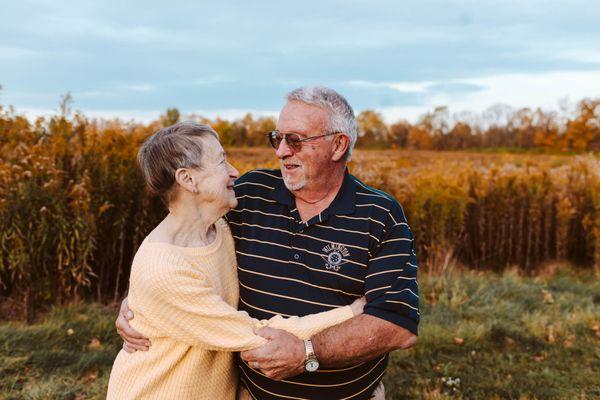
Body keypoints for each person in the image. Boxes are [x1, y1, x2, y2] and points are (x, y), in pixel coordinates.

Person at [117, 87, 420, 400]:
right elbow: (184, 235)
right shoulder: (249, 195)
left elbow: (398, 325)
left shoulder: (380, 214)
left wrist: (308, 353)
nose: (281, 152)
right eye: (278, 138)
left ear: (338, 145)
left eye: (296, 140)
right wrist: (141, 302)